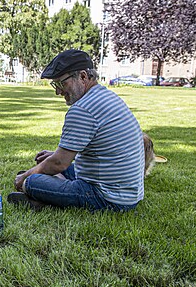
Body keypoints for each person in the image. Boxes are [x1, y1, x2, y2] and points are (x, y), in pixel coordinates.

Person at [8, 49, 144, 212]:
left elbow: (59, 163)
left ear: (83, 76)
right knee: (43, 166)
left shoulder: (83, 109)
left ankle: (46, 198)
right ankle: (50, 193)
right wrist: (54, 157)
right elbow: (100, 149)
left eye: (61, 83)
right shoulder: (105, 96)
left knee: (31, 181)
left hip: (109, 198)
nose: (58, 91)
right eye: (55, 85)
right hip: (128, 193)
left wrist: (24, 177)